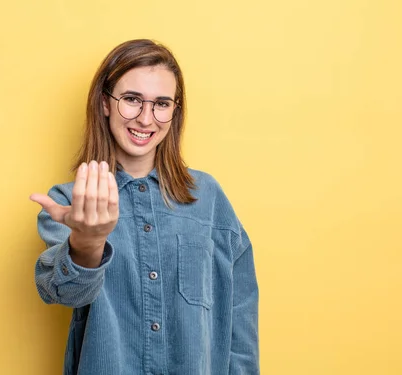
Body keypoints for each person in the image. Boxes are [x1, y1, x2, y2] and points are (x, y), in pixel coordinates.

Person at [30, 39, 259, 375]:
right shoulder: (70, 202)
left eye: (162, 103)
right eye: (132, 99)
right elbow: (62, 292)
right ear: (105, 103)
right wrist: (88, 242)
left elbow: (240, 315)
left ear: (175, 111)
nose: (145, 118)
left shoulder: (209, 198)